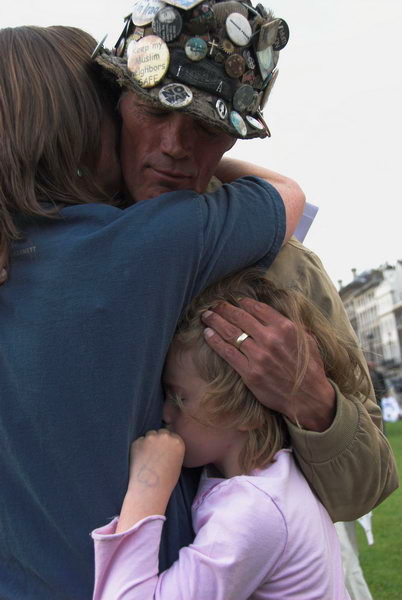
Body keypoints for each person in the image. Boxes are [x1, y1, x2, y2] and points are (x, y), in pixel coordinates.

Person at [0, 26, 303, 600]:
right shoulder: (143, 246)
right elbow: (289, 195)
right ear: (92, 123)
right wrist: (204, 174)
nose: (171, 144)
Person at [95, 0, 398, 521]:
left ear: (234, 136)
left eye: (206, 127)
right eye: (155, 111)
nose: (174, 146)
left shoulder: (284, 265)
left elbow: (364, 489)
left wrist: (310, 397)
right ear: (117, 102)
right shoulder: (42, 227)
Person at [91, 270, 364, 599]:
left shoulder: (255, 512)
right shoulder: (277, 480)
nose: (165, 413)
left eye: (179, 397)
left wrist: (147, 488)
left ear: (244, 408)